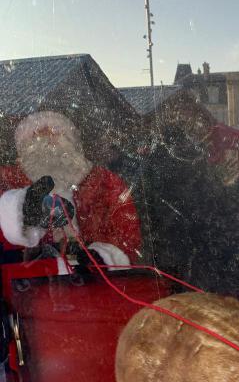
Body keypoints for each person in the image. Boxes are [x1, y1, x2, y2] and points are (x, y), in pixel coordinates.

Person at [0, 110, 141, 267]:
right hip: (30, 277)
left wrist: (103, 256)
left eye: (56, 133)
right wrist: (17, 213)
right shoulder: (8, 181)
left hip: (93, 278)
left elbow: (126, 235)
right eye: (37, 136)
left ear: (73, 141)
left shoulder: (103, 181)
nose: (49, 142)